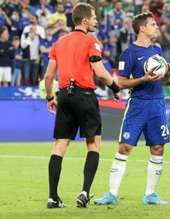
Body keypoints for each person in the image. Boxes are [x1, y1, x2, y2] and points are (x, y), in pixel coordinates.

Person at [44, 2, 120, 209]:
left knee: (60, 146)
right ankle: (85, 192)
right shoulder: (90, 41)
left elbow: (49, 76)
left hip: (64, 97)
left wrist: (51, 98)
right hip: (85, 96)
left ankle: (52, 197)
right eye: (94, 18)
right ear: (85, 20)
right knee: (93, 145)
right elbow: (101, 73)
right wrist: (115, 87)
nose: (97, 21)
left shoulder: (59, 42)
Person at [94, 11, 170, 206]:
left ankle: (150, 194)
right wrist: (143, 79)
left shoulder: (157, 51)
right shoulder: (129, 53)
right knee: (125, 147)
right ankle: (111, 194)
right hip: (137, 104)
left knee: (158, 147)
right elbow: (120, 82)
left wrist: (167, 73)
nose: (156, 27)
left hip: (157, 103)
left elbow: (163, 79)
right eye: (153, 24)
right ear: (142, 28)